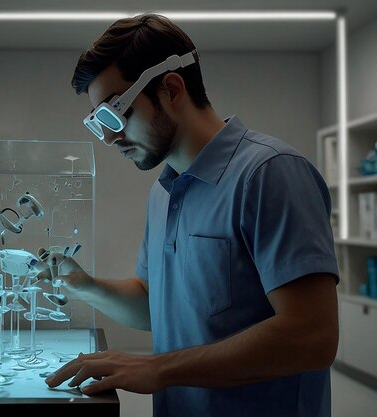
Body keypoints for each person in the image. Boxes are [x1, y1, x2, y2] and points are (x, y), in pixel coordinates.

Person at [43, 13, 339, 417]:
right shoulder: (164, 192)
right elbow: (156, 306)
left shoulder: (269, 173)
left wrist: (158, 368)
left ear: (171, 88)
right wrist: (85, 286)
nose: (110, 137)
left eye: (116, 114)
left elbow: (313, 335)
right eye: (99, 124)